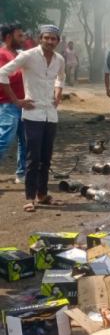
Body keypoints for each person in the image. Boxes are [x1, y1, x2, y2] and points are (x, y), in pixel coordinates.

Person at [0, 24, 65, 212]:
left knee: (46, 157)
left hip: (50, 114)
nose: (49, 42)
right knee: (32, 157)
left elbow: (61, 78)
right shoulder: (28, 56)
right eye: (46, 38)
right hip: (33, 113)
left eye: (53, 39)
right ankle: (30, 197)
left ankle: (42, 194)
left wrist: (58, 93)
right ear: (40, 38)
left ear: (57, 42)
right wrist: (15, 100)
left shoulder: (59, 59)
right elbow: (3, 72)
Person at [0, 23, 27, 183]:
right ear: (9, 37)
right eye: (19, 36)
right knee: (5, 139)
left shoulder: (17, 54)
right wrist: (26, 68)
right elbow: (6, 77)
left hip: (22, 104)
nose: (22, 39)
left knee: (25, 140)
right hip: (8, 104)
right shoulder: (2, 54)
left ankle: (22, 174)